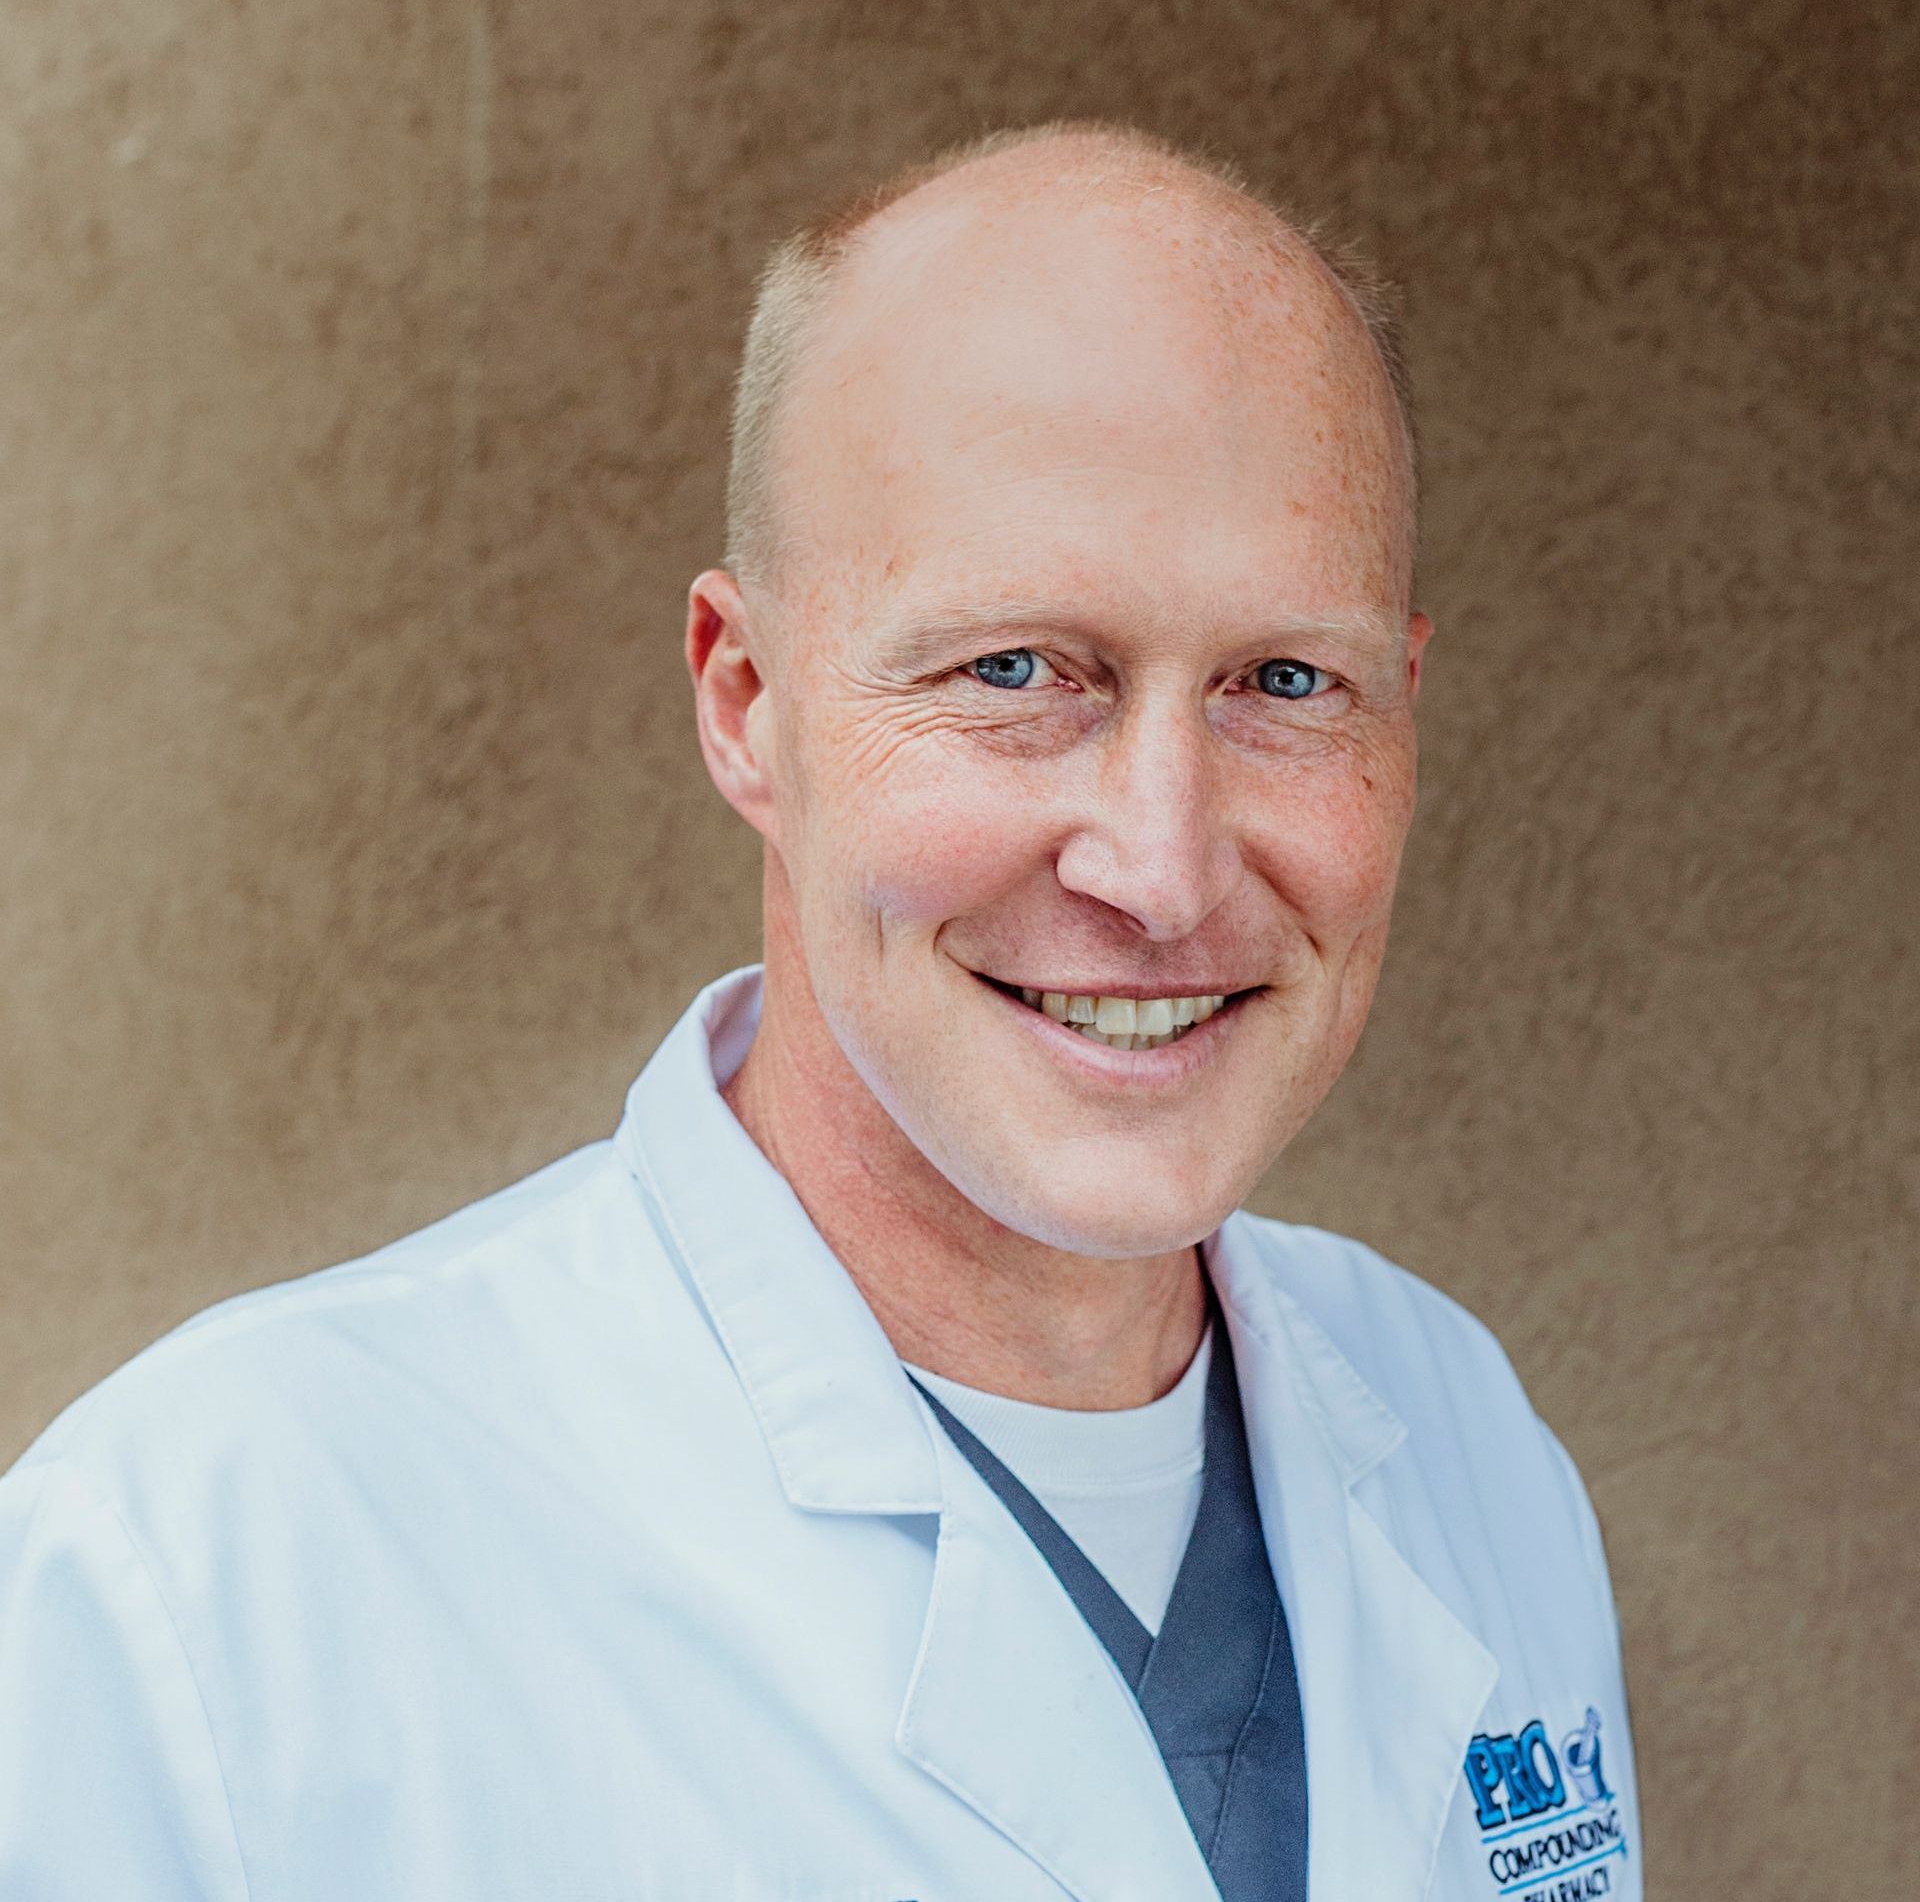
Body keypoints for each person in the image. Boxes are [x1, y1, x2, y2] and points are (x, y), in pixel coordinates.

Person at [0, 119, 1642, 1901]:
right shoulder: (211, 1574)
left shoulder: (1469, 1443)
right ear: (747, 702)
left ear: (1403, 712)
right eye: (1015, 671)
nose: (1163, 869)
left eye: (1283, 681)